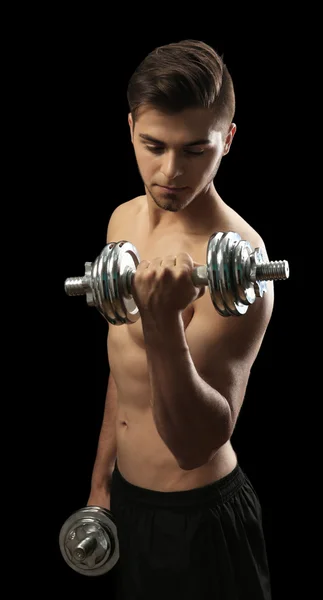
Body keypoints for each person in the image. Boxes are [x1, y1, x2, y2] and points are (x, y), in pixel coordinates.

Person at [87, 39, 273, 599]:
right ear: (131, 129)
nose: (170, 171)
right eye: (153, 145)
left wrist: (162, 321)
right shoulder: (123, 222)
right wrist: (102, 483)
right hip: (129, 502)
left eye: (196, 150)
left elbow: (196, 443)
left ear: (228, 140)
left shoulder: (242, 266)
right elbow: (124, 367)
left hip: (200, 519)